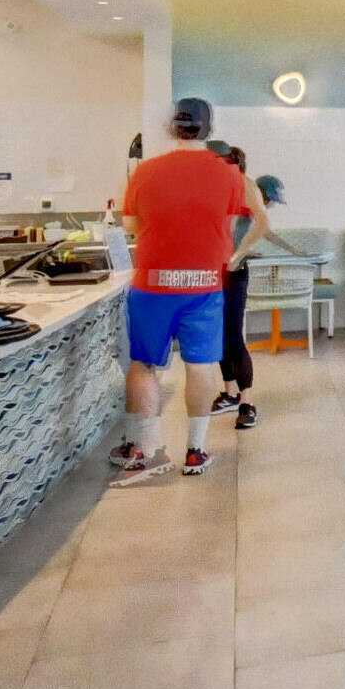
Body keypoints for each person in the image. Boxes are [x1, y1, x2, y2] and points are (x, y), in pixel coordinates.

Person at [108, 96, 265, 482]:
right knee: (200, 366)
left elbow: (128, 225)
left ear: (171, 127)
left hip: (152, 284)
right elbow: (228, 225)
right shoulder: (229, 174)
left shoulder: (145, 170)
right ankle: (195, 451)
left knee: (144, 365)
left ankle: (139, 449)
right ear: (209, 128)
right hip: (204, 284)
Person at [208, 144, 281, 430]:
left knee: (233, 335)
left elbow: (262, 224)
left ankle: (247, 402)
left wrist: (237, 254)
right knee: (219, 337)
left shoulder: (245, 189)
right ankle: (229, 393)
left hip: (234, 274)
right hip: (210, 272)